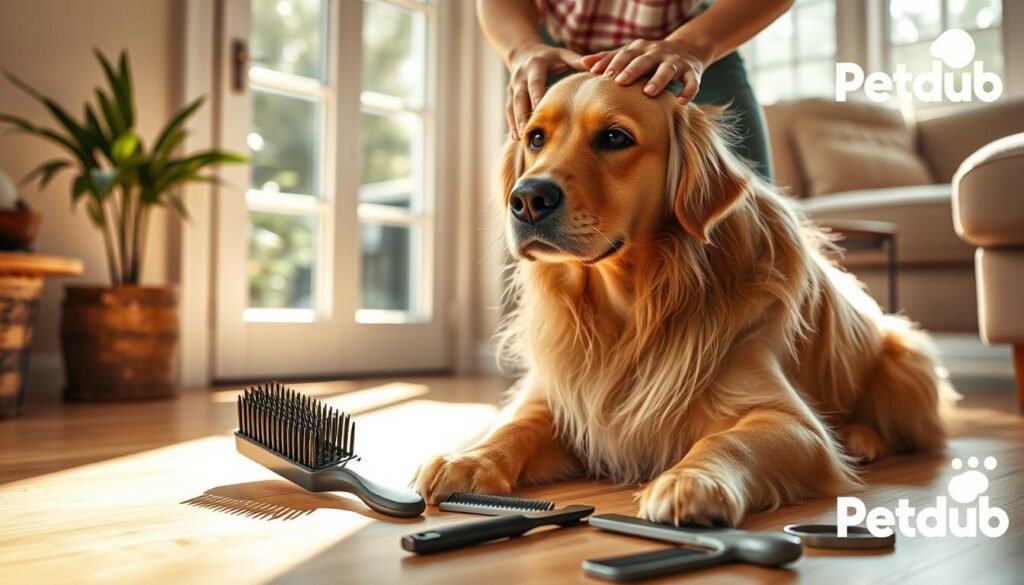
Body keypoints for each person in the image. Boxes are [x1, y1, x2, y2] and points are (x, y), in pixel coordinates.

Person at [477, 0, 794, 180]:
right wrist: (522, 49)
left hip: (694, 41)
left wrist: (693, 45)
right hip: (556, 51)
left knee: (750, 215)